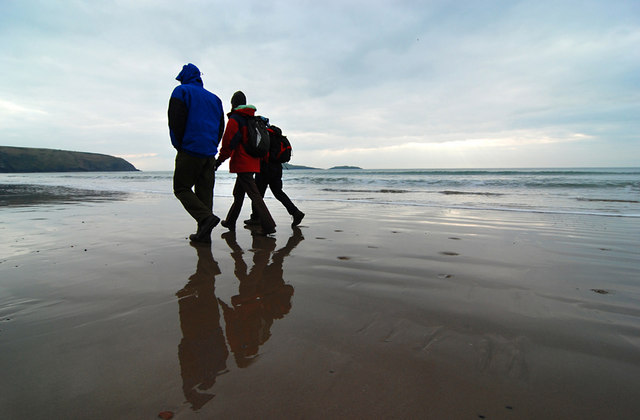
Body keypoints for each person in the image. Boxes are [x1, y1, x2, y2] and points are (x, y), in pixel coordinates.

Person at [168, 63, 224, 243]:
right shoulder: (215, 99)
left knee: (181, 188)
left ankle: (205, 220)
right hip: (209, 153)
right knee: (205, 195)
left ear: (183, 77)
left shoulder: (181, 91)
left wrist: (179, 145)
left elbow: (175, 122)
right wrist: (213, 145)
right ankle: (204, 236)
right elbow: (220, 127)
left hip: (190, 149)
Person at [215, 91, 276, 235]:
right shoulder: (252, 119)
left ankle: (268, 225)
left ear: (233, 104)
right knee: (238, 193)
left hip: (243, 163)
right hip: (253, 162)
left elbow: (228, 143)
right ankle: (230, 221)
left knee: (254, 195)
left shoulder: (236, 119)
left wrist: (219, 161)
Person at [246, 123, 305, 228]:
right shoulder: (278, 137)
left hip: (265, 168)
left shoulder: (265, 136)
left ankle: (255, 218)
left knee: (258, 194)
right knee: (278, 193)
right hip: (277, 168)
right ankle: (295, 212)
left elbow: (258, 150)